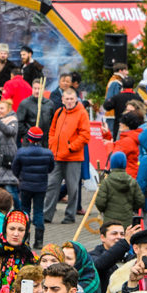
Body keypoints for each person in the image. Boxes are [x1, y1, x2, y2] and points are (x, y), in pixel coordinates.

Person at [47, 87, 90, 223]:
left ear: (76, 99)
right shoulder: (59, 111)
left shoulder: (82, 113)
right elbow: (52, 130)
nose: (70, 101)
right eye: (67, 99)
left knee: (73, 188)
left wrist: (71, 148)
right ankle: (46, 215)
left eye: (72, 99)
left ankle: (70, 216)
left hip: (73, 158)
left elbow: (85, 136)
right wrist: (52, 144)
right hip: (57, 156)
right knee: (52, 185)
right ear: (62, 99)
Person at [10, 125, 55, 244]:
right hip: (41, 186)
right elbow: (50, 169)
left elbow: (15, 169)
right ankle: (39, 241)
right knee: (39, 211)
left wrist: (21, 177)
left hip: (25, 186)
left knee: (25, 211)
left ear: (29, 138)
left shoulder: (22, 152)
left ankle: (26, 239)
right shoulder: (48, 153)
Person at [94, 152, 143, 229]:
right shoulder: (132, 181)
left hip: (110, 221)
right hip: (127, 220)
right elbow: (140, 200)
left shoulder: (107, 182)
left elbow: (100, 202)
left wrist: (105, 211)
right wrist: (131, 208)